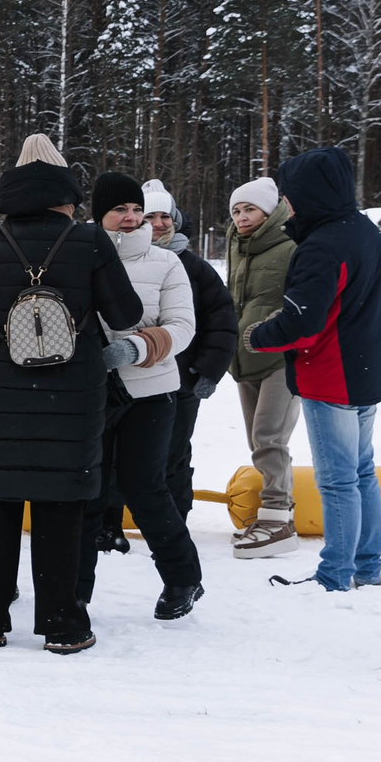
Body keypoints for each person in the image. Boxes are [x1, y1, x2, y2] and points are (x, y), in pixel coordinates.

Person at [0, 155, 142, 652]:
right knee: (61, 507)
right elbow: (126, 313)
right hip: (71, 400)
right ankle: (63, 622)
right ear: (67, 200)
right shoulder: (90, 241)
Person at [244, 145, 381, 593]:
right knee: (362, 472)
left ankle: (335, 575)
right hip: (364, 371)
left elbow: (303, 323)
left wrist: (258, 336)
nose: (287, 204)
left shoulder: (323, 246)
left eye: (290, 194)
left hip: (330, 376)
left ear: (309, 193)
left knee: (338, 480)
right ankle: (366, 568)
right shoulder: (364, 231)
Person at [76, 172, 204, 621]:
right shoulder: (78, 255)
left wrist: (137, 347)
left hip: (149, 392)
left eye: (136, 209)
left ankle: (183, 577)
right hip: (92, 392)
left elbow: (182, 326)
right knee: (86, 492)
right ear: (100, 215)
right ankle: (74, 593)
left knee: (144, 488)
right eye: (120, 210)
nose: (131, 217)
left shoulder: (166, 263)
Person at [144, 181, 237, 517]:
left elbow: (222, 321)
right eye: (150, 216)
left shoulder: (196, 268)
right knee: (124, 452)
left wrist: (208, 370)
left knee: (175, 455)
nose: (158, 223)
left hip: (181, 382)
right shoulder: (119, 262)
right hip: (132, 379)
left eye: (165, 216)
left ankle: (174, 522)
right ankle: (112, 523)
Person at [224, 176, 300, 557]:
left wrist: (270, 329)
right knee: (257, 440)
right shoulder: (237, 246)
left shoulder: (291, 245)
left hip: (281, 357)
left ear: (270, 211)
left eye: (250, 209)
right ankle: (278, 510)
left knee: (270, 437)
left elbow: (297, 301)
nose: (241, 217)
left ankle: (277, 517)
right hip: (245, 355)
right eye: (236, 210)